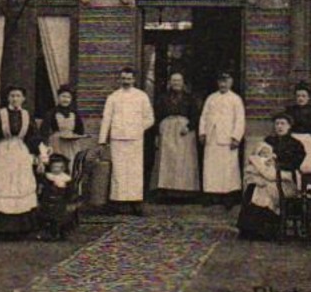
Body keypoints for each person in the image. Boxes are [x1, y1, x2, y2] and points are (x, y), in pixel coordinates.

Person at [0, 85, 45, 244]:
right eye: (12, 96)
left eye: (18, 96)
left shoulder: (26, 115)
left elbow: (34, 137)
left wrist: (41, 155)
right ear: (8, 98)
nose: (15, 99)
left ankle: (21, 229)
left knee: (20, 185)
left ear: (23, 98)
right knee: (2, 186)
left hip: (21, 154)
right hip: (3, 154)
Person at [99, 66, 154, 215]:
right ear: (120, 79)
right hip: (117, 138)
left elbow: (150, 118)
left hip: (135, 139)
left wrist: (137, 128)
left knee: (134, 171)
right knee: (119, 170)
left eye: (129, 79)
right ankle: (118, 202)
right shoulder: (113, 97)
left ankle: (135, 202)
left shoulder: (142, 96)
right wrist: (102, 139)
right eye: (123, 78)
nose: (126, 81)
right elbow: (106, 119)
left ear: (134, 79)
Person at [199, 71, 245, 206]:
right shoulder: (211, 98)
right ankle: (211, 195)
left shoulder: (236, 99)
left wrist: (236, 137)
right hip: (212, 137)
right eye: (221, 82)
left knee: (227, 167)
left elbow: (240, 120)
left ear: (231, 83)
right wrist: (202, 133)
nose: (223, 84)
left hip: (227, 138)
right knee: (211, 168)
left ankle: (228, 196)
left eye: (226, 81)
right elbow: (204, 116)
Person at [153, 71, 200, 197]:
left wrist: (189, 127)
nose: (176, 83)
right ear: (170, 82)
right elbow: (157, 116)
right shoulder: (162, 98)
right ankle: (167, 191)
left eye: (178, 81)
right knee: (167, 160)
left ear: (183, 83)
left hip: (184, 131)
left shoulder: (190, 98)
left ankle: (184, 193)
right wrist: (158, 134)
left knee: (183, 160)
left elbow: (196, 116)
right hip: (167, 130)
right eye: (174, 81)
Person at [236, 142, 281, 241]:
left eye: (267, 154)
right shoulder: (254, 164)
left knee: (268, 200)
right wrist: (256, 180)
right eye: (262, 154)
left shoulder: (272, 163)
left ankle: (265, 231)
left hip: (269, 186)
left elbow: (273, 175)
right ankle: (249, 230)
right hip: (255, 186)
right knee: (252, 199)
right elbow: (249, 176)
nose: (264, 156)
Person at [41, 85, 86, 165]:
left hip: (71, 144)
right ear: (58, 97)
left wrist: (76, 136)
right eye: (63, 96)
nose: (65, 99)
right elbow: (44, 130)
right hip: (57, 143)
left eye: (68, 97)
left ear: (71, 99)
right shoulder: (51, 113)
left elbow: (80, 130)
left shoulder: (74, 113)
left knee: (72, 164)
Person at [285, 82, 311, 175]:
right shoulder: (290, 110)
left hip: (307, 137)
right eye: (298, 96)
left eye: (304, 96)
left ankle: (306, 184)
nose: (301, 98)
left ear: (308, 98)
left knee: (306, 160)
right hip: (293, 136)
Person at [37, 152, 73, 241]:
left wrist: (69, 199)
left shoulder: (66, 178)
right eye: (54, 167)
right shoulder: (48, 177)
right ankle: (48, 232)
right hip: (48, 200)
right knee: (46, 217)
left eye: (59, 168)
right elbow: (43, 187)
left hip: (60, 201)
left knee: (60, 217)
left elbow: (69, 192)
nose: (56, 170)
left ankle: (60, 232)